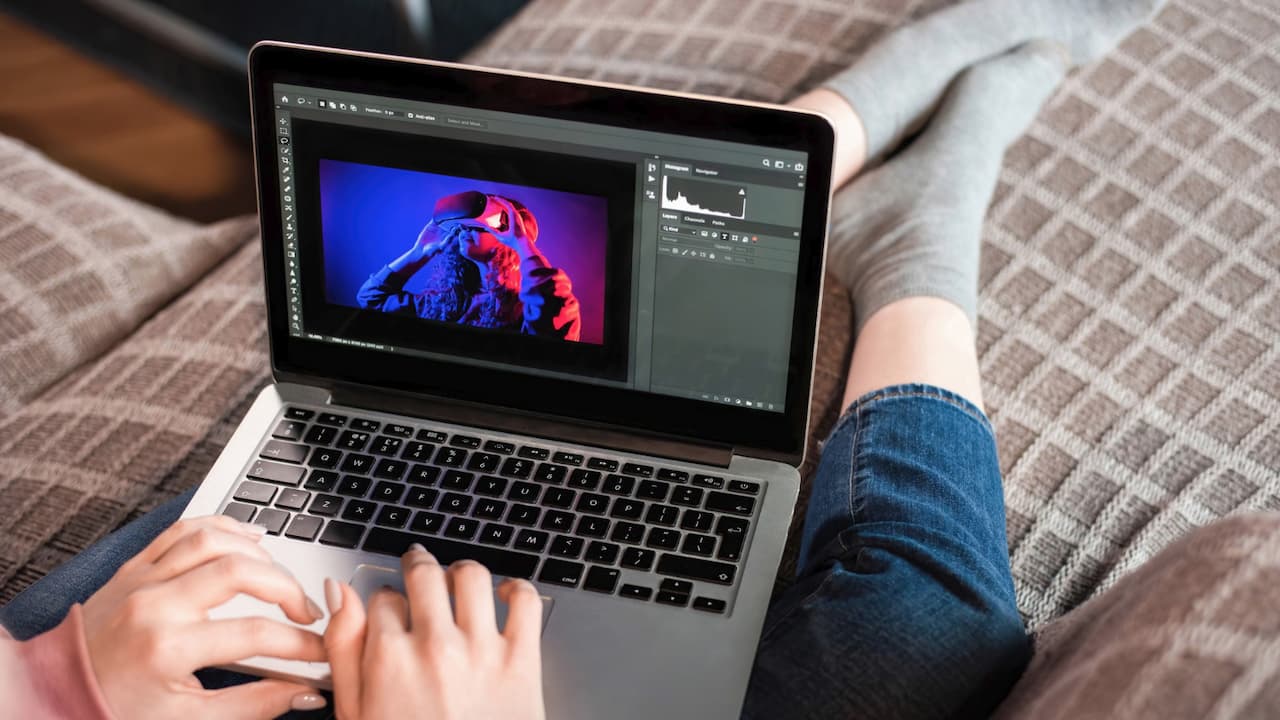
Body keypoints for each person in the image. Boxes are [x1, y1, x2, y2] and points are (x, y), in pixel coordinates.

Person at [0, 0, 1165, 717]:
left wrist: (60, 689)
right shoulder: (415, 271)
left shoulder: (531, 275)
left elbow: (563, 320)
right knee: (924, 630)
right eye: (465, 219)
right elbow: (395, 299)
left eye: (493, 222)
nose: (483, 234)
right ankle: (912, 246)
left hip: (70, 688)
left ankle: (828, 138)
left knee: (237, 527)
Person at [356, 190, 582, 341]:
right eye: (463, 226)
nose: (465, 230)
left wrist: (522, 243)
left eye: (478, 227)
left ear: (507, 238)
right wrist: (418, 253)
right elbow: (371, 299)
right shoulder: (443, 301)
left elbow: (555, 319)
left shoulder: (523, 312)